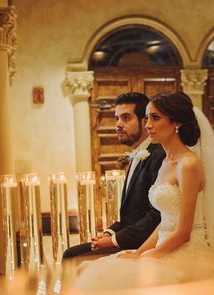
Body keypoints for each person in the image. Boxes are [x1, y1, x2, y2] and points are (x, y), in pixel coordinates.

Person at [75, 91, 214, 289]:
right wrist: (138, 253)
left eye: (155, 118)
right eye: (147, 118)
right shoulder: (164, 163)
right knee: (85, 269)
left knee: (113, 280)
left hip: (184, 250)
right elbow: (165, 221)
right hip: (161, 246)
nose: (148, 125)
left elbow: (183, 232)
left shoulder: (188, 164)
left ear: (176, 122)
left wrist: (148, 255)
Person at [62, 92, 165, 259]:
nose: (118, 124)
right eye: (116, 118)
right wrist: (109, 232)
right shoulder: (137, 155)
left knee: (72, 257)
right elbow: (131, 216)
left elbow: (156, 216)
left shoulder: (158, 156)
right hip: (129, 237)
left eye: (125, 118)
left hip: (145, 243)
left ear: (145, 121)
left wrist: (114, 240)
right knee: (71, 254)